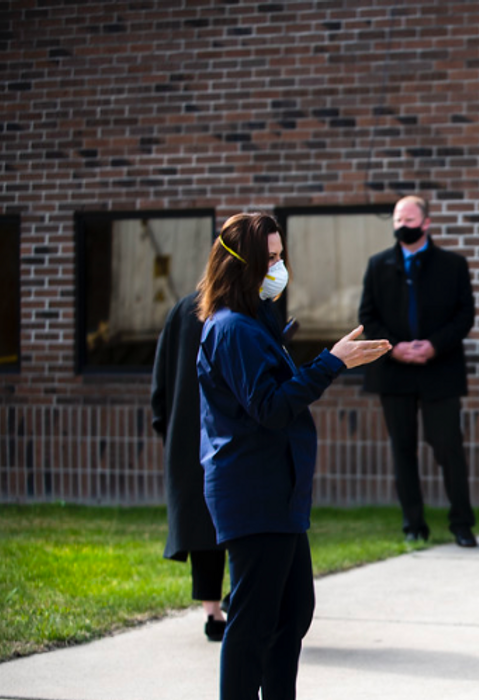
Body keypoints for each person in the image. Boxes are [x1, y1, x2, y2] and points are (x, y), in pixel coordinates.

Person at [197, 212, 391, 700]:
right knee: (255, 623)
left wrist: (331, 360)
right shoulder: (234, 329)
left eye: (281, 256)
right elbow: (271, 408)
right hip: (254, 492)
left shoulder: (255, 324)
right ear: (240, 265)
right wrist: (332, 363)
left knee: (292, 614)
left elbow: (275, 391)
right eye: (269, 259)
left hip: (278, 494)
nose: (279, 268)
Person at [359, 195, 479, 547]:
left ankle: (461, 523)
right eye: (398, 219)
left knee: (448, 447)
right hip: (394, 372)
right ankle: (413, 524)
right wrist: (394, 347)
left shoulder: (452, 265)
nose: (403, 226)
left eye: (410, 219)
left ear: (425, 223)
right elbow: (368, 317)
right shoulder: (378, 265)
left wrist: (434, 345)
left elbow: (464, 315)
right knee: (403, 449)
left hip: (439, 369)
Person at [152, 290, 228, 642]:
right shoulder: (241, 309)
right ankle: (235, 603)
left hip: (187, 431)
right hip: (226, 432)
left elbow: (161, 378)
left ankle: (212, 611)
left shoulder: (183, 308)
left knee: (202, 524)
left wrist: (166, 425)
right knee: (240, 522)